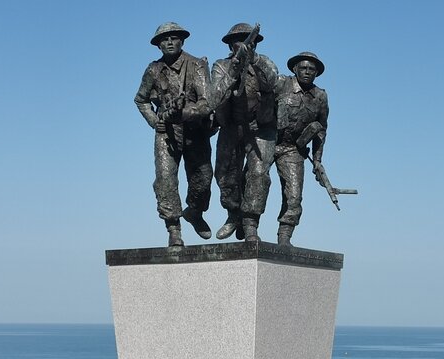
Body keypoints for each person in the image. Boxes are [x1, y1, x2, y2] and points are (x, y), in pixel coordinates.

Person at [134, 22, 213, 247]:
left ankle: (195, 212)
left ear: (182, 41)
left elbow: (207, 104)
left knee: (203, 181)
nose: (169, 42)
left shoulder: (197, 65)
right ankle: (173, 228)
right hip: (166, 133)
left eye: (173, 38)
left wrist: (184, 113)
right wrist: (154, 121)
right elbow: (140, 100)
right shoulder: (153, 70)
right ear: (158, 45)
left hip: (195, 132)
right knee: (165, 180)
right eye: (164, 39)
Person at [209, 23, 278, 242]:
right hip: (231, 128)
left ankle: (250, 224)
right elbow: (214, 99)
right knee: (225, 176)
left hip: (261, 129)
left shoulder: (264, 62)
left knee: (258, 175)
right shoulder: (221, 66)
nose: (245, 44)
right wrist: (232, 72)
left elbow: (274, 84)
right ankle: (233, 214)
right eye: (239, 40)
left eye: (249, 40)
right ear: (231, 44)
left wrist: (254, 62)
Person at [273, 52, 329, 245]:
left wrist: (318, 160)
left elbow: (321, 131)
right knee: (254, 183)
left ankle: (284, 237)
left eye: (311, 69)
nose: (307, 72)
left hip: (292, 149)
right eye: (303, 68)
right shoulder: (280, 83)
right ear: (295, 69)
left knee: (294, 196)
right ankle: (247, 226)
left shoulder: (320, 97)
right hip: (268, 140)